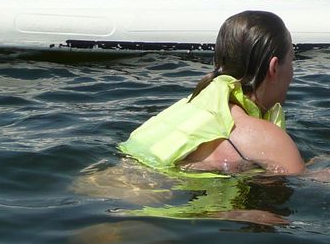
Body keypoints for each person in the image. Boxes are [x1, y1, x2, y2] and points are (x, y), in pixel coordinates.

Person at [119, 11, 304, 176]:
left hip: (112, 181)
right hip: (150, 204)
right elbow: (303, 183)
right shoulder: (265, 138)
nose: (293, 71)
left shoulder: (192, 108)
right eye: (291, 61)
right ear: (273, 68)